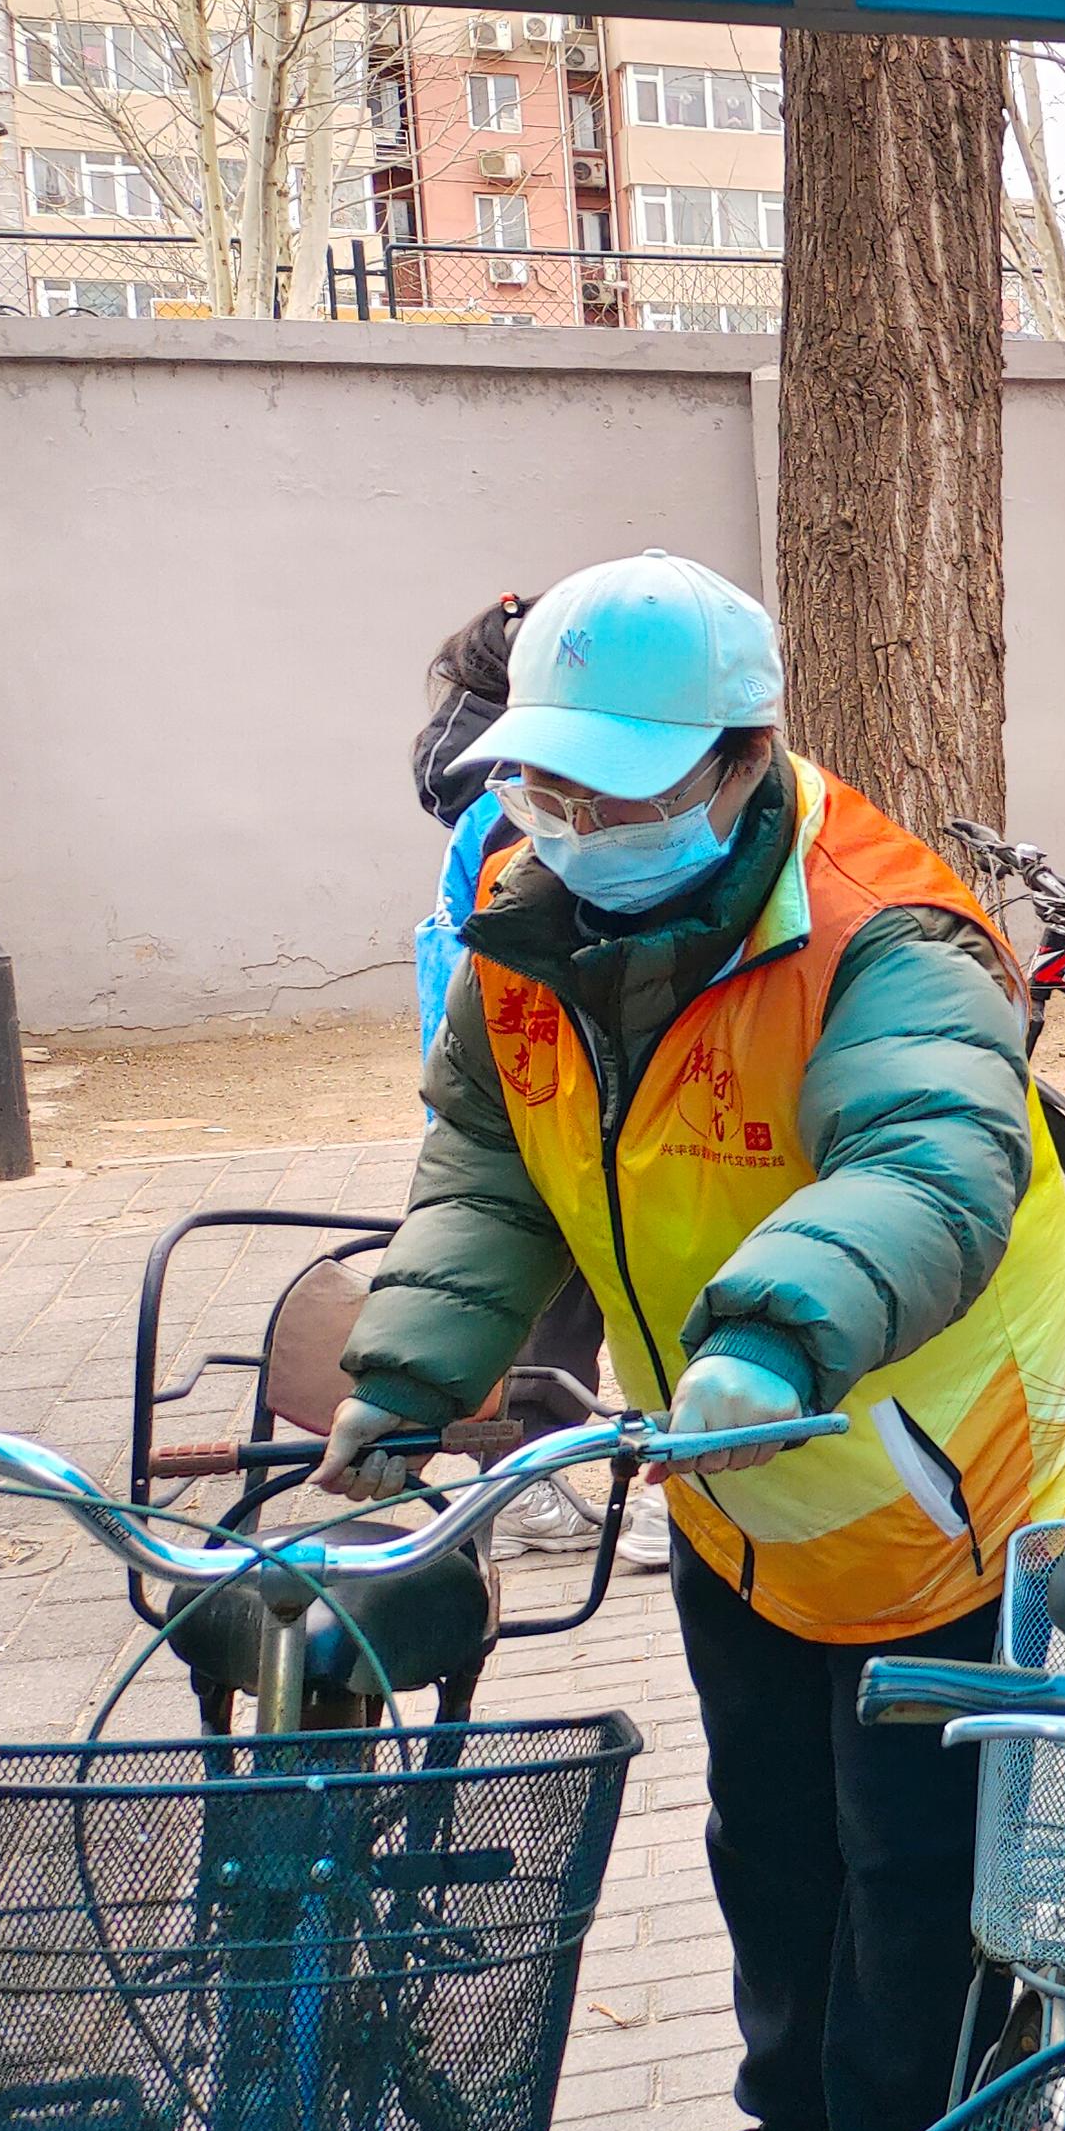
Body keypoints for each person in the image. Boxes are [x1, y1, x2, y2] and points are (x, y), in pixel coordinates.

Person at [320, 551, 1065, 2131]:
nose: (573, 816)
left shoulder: (886, 928)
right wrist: (414, 1370)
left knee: (914, 1866)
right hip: (724, 1475)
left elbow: (930, 1160)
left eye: (617, 783)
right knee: (768, 1834)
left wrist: (768, 1332)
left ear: (743, 761)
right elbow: (490, 1161)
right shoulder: (526, 918)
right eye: (549, 775)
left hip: (920, 1475)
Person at [409, 590, 621, 1558]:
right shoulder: (518, 816)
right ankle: (525, 1472)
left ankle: (520, 1467)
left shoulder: (483, 791)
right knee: (554, 1287)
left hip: (503, 1066)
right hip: (537, 1073)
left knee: (548, 1287)